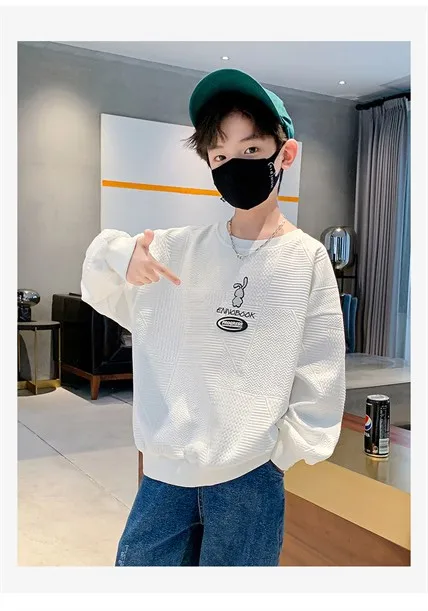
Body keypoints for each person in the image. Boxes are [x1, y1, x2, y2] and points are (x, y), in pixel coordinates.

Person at [81, 69, 346, 567]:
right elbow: (99, 280)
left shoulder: (306, 259)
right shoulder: (179, 251)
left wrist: (277, 456)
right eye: (220, 156)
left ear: (285, 154)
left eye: (251, 149)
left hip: (251, 479)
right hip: (165, 477)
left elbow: (321, 372)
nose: (234, 165)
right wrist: (121, 256)